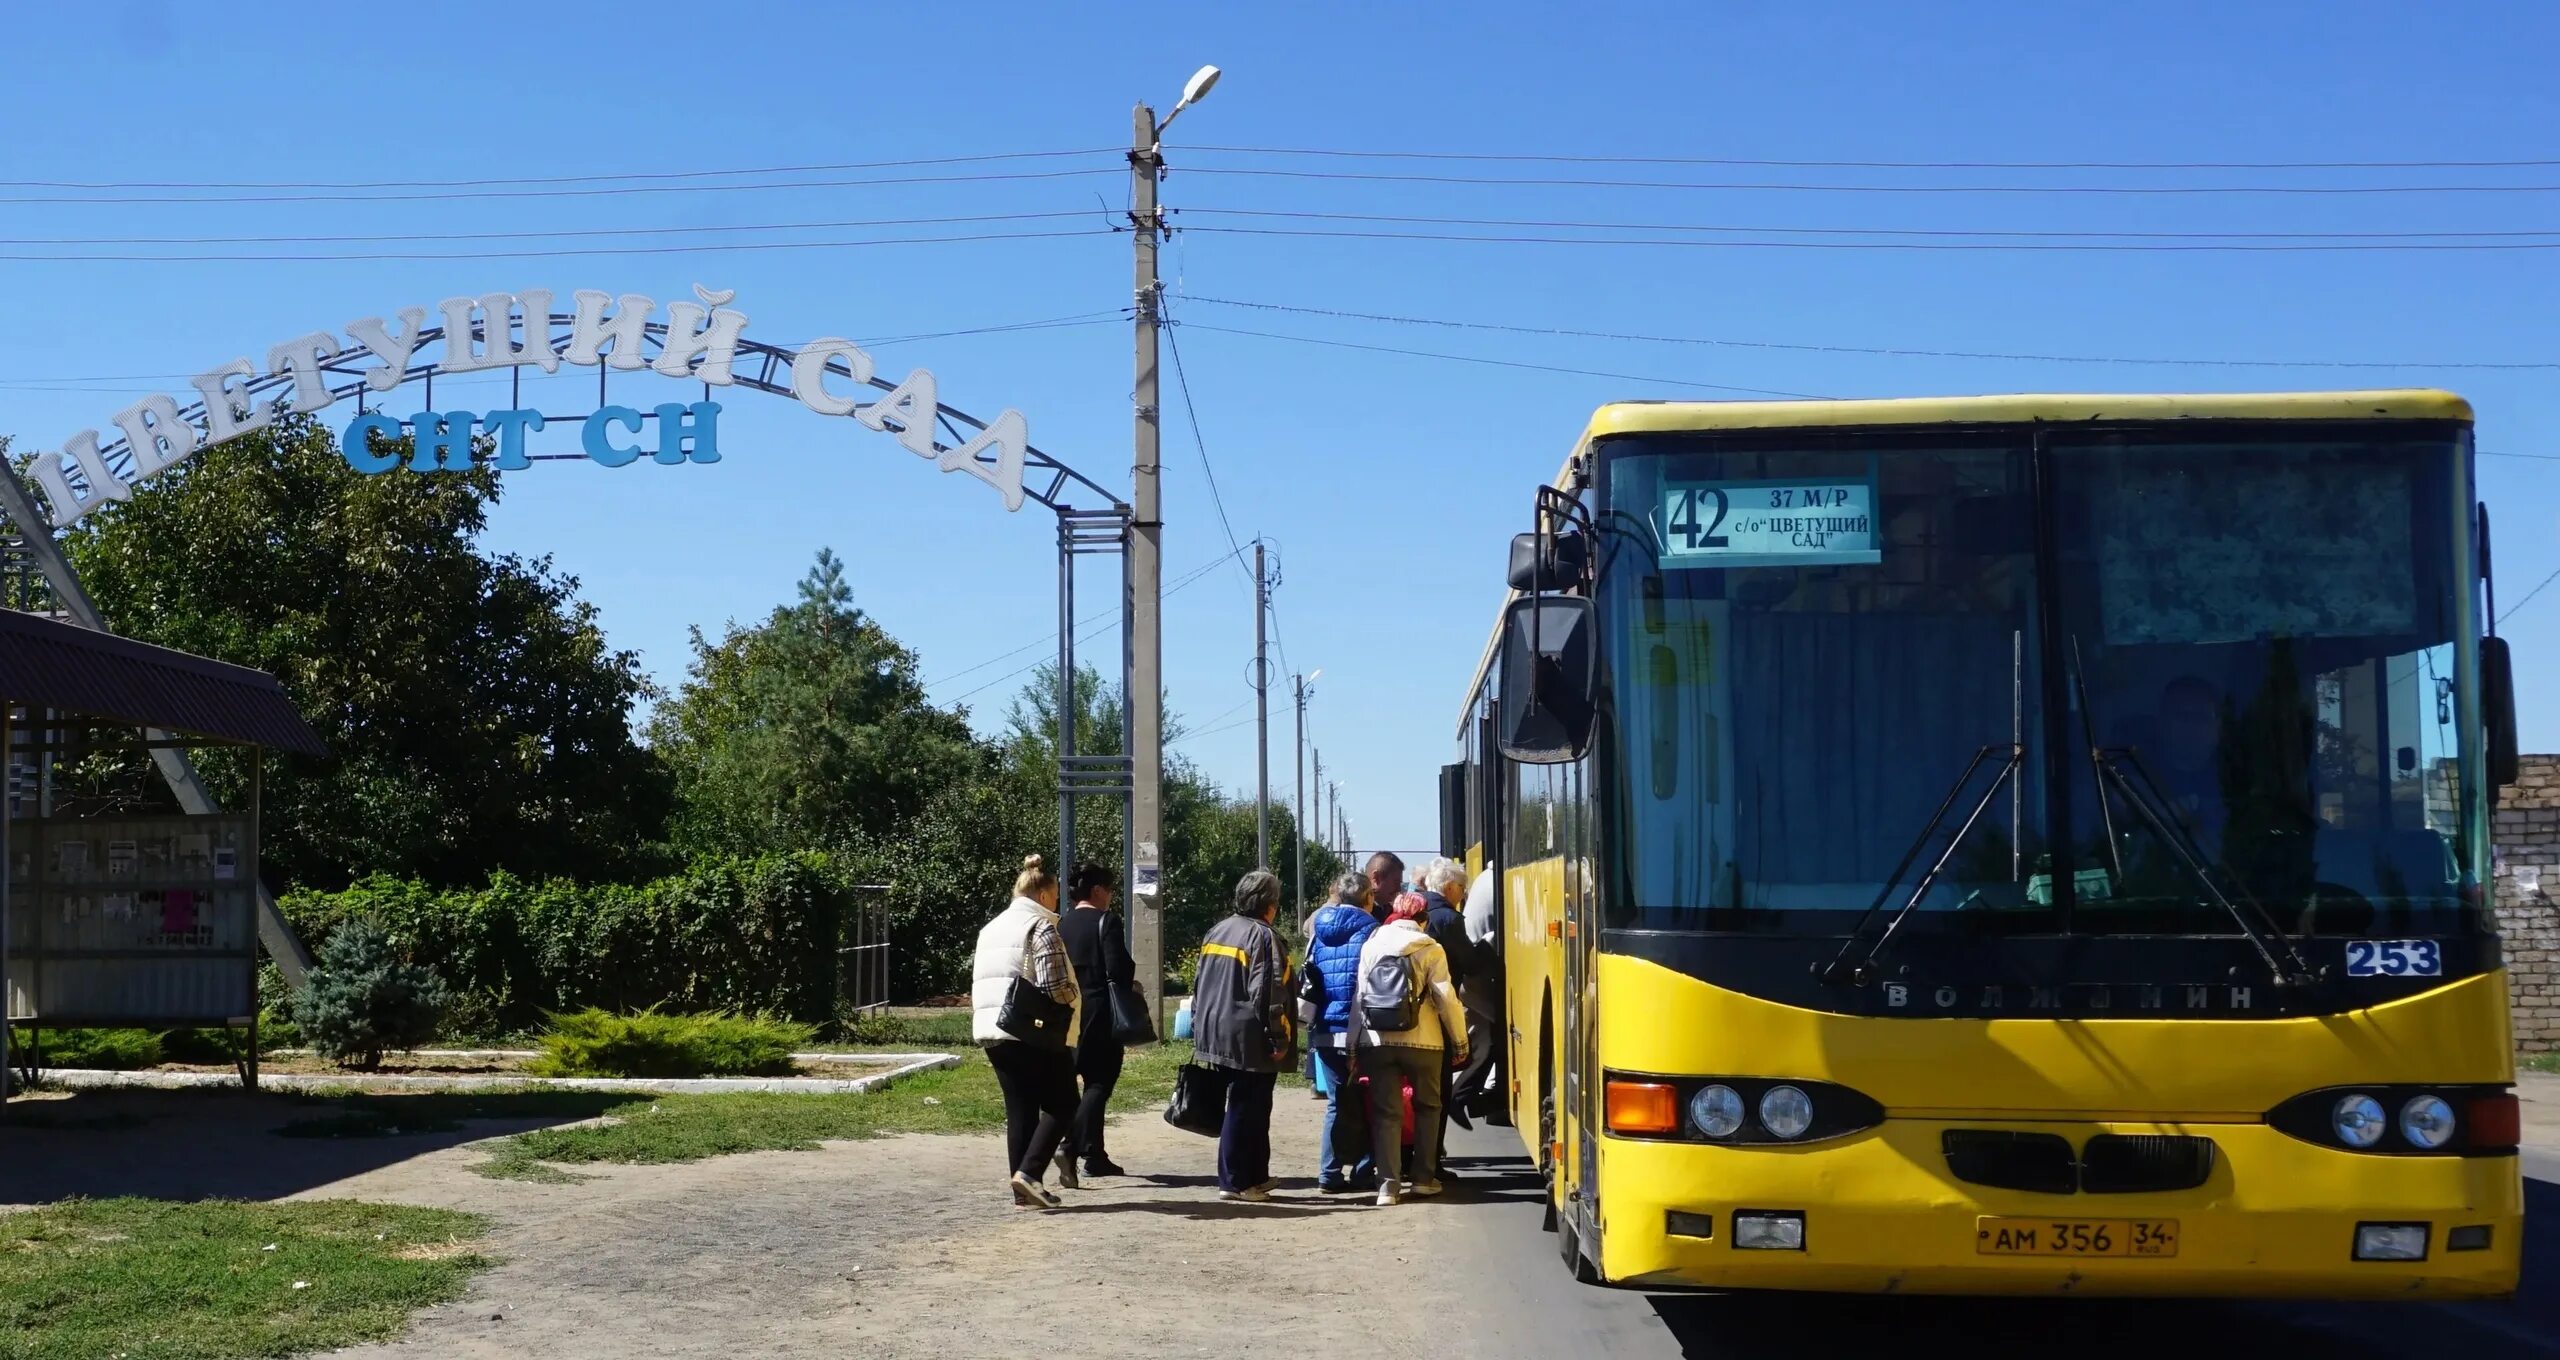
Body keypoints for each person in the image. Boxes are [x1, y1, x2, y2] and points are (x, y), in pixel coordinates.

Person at [969, 854, 1082, 1209]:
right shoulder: (1041, 926)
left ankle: (1024, 1191)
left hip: (992, 1028)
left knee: (1020, 1108)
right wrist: (1076, 998)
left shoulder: (991, 928)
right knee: (1064, 1102)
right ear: (1045, 895)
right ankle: (1030, 1174)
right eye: (1057, 895)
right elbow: (1055, 985)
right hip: (1033, 1030)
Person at [1352, 892, 1467, 1206]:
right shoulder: (1431, 948)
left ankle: (1388, 1187)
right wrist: (1459, 1041)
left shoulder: (1371, 945)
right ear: (1423, 919)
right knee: (1428, 1109)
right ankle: (1423, 1180)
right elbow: (1445, 998)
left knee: (1386, 1114)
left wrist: (1354, 1044)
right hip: (1425, 1042)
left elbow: (1360, 996)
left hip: (1377, 1041)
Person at [1192, 868, 1295, 1202]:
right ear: (1269, 904)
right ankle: (1236, 1181)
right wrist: (1277, 1037)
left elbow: (1199, 984)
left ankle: (1255, 1175)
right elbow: (1266, 992)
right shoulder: (1262, 937)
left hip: (1214, 1030)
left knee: (1251, 1106)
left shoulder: (1217, 930)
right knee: (1245, 1107)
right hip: (1246, 1036)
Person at [1298, 872, 1379, 1192]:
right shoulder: (1372, 931)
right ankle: (1362, 1170)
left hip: (1324, 1030)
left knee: (1335, 1102)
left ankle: (1329, 1173)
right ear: (1367, 899)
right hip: (1360, 1030)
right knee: (1368, 1101)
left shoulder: (1318, 931)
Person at [1058, 861, 1135, 1178]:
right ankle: (1072, 1145)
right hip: (1100, 1013)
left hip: (1066, 1012)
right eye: (1110, 891)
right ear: (1098, 891)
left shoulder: (1061, 925)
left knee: (1071, 1082)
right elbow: (1119, 970)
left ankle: (1094, 1154)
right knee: (1099, 1082)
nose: (1111, 897)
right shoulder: (1107, 922)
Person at [1422, 857, 1502, 1134]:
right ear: (1448, 887)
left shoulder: (1419, 909)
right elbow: (1469, 963)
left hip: (1412, 1009)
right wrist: (1487, 944)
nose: (1464, 893)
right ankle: (1434, 1156)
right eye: (1460, 887)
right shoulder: (1449, 919)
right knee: (1441, 1083)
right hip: (1440, 1005)